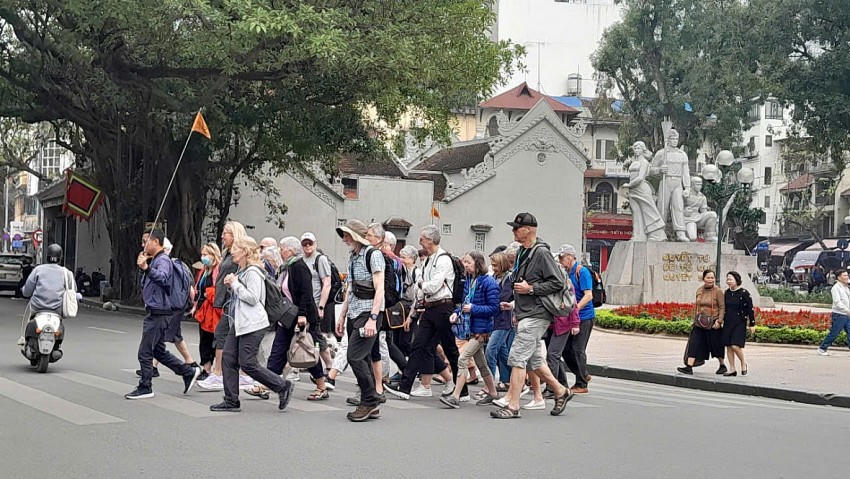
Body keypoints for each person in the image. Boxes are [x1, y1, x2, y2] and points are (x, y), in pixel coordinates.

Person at [490, 212, 573, 419]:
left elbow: (557, 283)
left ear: (528, 230)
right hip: (526, 312)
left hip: (538, 312)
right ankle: (561, 391)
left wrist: (532, 289)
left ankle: (513, 405)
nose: (513, 231)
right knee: (534, 361)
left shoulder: (541, 252)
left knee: (517, 357)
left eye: (516, 228)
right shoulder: (522, 252)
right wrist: (517, 310)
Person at [210, 237, 294, 412]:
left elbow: (253, 298)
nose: (232, 252)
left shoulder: (253, 272)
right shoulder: (243, 271)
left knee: (247, 363)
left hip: (253, 323)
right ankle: (231, 400)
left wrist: (234, 284)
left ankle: (282, 385)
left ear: (245, 252)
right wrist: (232, 285)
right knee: (228, 358)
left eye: (236, 248)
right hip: (241, 322)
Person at [385, 225, 463, 401]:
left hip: (443, 307)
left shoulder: (443, 260)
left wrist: (421, 284)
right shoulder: (428, 260)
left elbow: (432, 286)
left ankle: (461, 388)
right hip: (429, 307)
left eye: (422, 239)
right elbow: (423, 288)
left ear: (430, 240)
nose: (420, 242)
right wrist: (420, 293)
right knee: (418, 345)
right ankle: (405, 387)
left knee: (450, 349)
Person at [125, 229, 201, 399]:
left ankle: (145, 386)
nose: (143, 245)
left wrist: (146, 268)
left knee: (145, 352)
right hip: (157, 310)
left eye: (145, 241)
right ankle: (187, 372)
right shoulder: (155, 260)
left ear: (156, 242)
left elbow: (163, 278)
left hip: (159, 312)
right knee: (159, 351)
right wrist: (144, 268)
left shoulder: (163, 260)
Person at [255, 237, 329, 401]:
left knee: (306, 350)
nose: (280, 251)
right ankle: (266, 384)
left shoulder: (299, 266)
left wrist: (302, 315)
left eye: (282, 248)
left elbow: (306, 293)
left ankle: (321, 386)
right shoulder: (286, 267)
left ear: (290, 250)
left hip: (301, 317)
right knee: (278, 351)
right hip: (287, 316)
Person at [336, 219, 386, 421]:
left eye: (347, 235)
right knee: (362, 358)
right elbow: (350, 289)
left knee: (354, 357)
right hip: (355, 313)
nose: (344, 239)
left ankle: (370, 400)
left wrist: (373, 318)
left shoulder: (373, 255)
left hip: (368, 312)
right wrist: (342, 315)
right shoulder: (353, 256)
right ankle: (369, 401)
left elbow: (379, 288)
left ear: (356, 236)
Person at [440, 251, 500, 408]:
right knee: (481, 364)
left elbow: (494, 308)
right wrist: (456, 313)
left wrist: (473, 308)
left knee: (462, 359)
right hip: (471, 328)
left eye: (468, 262)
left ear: (477, 263)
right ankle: (493, 393)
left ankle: (456, 396)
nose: (465, 265)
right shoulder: (469, 280)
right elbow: (464, 303)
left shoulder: (488, 282)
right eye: (464, 262)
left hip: (482, 330)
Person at [198, 221, 249, 391]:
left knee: (222, 334)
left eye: (225, 233)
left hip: (232, 300)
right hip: (226, 301)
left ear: (235, 234)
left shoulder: (238, 254)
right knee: (229, 337)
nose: (222, 236)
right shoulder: (228, 253)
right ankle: (234, 373)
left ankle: (219, 373)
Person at [21, 243, 75, 354]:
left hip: (37, 308)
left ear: (47, 257)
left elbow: (27, 291)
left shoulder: (38, 270)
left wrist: (23, 291)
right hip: (57, 310)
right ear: (60, 258)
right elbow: (73, 291)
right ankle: (57, 345)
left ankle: (26, 343)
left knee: (29, 321)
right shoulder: (67, 273)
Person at [545, 246, 583, 391]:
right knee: (553, 356)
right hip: (551, 324)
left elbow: (572, 303)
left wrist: (575, 323)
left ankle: (553, 388)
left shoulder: (565, 282)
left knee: (553, 355)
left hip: (562, 323)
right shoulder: (549, 282)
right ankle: (561, 385)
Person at [558, 244, 595, 393]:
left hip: (585, 316)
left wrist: (576, 309)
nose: (561, 261)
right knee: (566, 349)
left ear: (570, 257)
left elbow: (588, 295)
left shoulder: (582, 272)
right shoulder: (567, 273)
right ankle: (583, 374)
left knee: (578, 349)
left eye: (562, 258)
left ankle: (581, 384)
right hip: (572, 317)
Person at [678, 270, 727, 375]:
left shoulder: (718, 291)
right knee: (694, 343)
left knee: (716, 345)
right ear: (703, 279)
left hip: (713, 322)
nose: (710, 280)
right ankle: (689, 367)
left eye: (712, 278)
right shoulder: (699, 290)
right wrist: (694, 320)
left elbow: (722, 307)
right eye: (708, 277)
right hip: (700, 322)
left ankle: (722, 365)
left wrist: (719, 321)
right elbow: (697, 307)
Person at [300, 232, 336, 373]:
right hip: (304, 304)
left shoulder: (320, 259)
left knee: (315, 335)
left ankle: (328, 365)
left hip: (315, 304)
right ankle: (316, 364)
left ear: (315, 244)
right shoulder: (301, 260)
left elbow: (327, 283)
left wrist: (321, 306)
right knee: (310, 335)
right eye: (305, 243)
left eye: (310, 243)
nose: (307, 246)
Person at [650, 128, 691, 242]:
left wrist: (687, 187)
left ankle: (680, 232)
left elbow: (686, 172)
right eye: (672, 138)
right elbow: (651, 170)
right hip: (665, 181)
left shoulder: (682, 154)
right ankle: (659, 231)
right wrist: (659, 169)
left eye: (676, 138)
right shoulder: (661, 153)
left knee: (678, 207)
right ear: (668, 140)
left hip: (677, 182)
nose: (675, 141)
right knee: (662, 207)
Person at [624, 141, 666, 241]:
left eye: (638, 148)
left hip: (641, 188)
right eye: (635, 148)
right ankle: (638, 235)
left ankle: (658, 235)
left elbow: (640, 178)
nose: (636, 150)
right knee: (636, 212)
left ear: (643, 150)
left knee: (649, 211)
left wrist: (629, 185)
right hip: (633, 190)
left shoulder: (644, 162)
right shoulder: (634, 162)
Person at [486, 252, 516, 392]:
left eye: (496, 265)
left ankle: (489, 385)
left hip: (504, 319)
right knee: (503, 353)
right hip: (495, 318)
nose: (493, 268)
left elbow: (505, 296)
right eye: (492, 265)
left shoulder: (508, 278)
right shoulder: (493, 277)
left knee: (490, 351)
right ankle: (513, 378)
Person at [193, 243, 223, 381]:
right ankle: (206, 368)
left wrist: (208, 294)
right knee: (204, 339)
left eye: (205, 254)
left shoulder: (218, 270)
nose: (203, 257)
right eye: (202, 254)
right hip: (203, 310)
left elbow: (219, 290)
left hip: (215, 310)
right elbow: (198, 289)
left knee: (215, 340)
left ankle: (217, 369)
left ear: (213, 255)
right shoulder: (204, 271)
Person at [721, 271, 755, 376]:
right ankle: (732, 369)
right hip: (728, 322)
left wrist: (752, 324)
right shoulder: (726, 293)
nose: (728, 281)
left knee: (735, 346)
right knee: (728, 346)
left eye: (730, 279)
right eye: (727, 279)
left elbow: (750, 309)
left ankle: (743, 363)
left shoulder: (744, 293)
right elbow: (723, 307)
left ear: (737, 280)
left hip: (740, 322)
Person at [818, 269, 850, 356]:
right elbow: (837, 302)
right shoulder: (836, 288)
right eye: (844, 275)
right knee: (834, 333)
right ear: (839, 277)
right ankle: (822, 348)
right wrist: (847, 310)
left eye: (847, 275)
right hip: (839, 314)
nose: (847, 277)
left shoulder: (846, 287)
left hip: (847, 314)